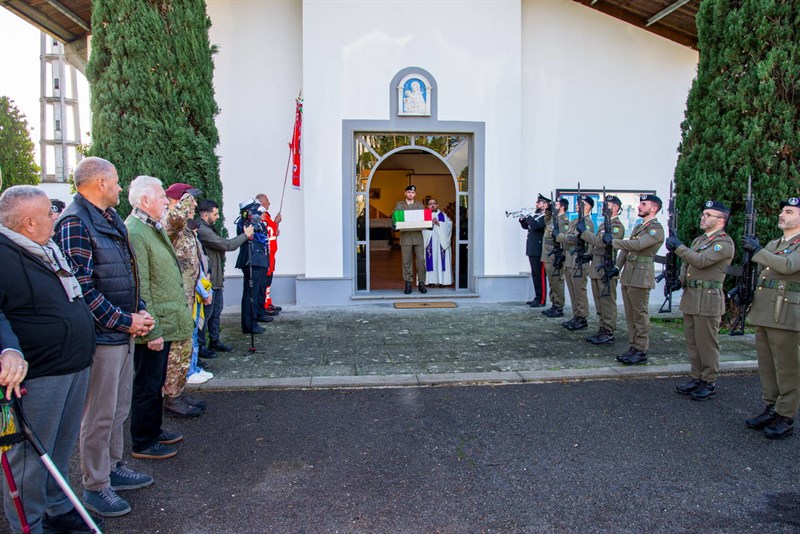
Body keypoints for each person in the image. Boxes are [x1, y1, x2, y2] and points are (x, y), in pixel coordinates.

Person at [55, 157, 157, 518]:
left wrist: (139, 310)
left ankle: (114, 467)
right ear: (99, 183)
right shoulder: (75, 223)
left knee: (117, 409)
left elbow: (126, 275)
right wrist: (124, 320)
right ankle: (96, 485)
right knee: (98, 415)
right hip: (102, 336)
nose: (119, 188)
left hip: (121, 330)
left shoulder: (109, 218)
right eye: (115, 183)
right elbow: (81, 289)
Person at [0, 185, 100, 534]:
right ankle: (29, 524)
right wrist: (7, 348)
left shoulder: (46, 248)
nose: (55, 218)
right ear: (28, 223)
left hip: (71, 364)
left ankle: (58, 508)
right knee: (29, 456)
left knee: (59, 446)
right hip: (38, 374)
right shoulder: (4, 254)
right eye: (47, 214)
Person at [125, 176, 195, 460]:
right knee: (147, 383)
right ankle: (143, 441)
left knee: (155, 382)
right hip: (153, 323)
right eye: (160, 198)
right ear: (144, 201)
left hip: (163, 319)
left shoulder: (149, 227)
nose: (166, 202)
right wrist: (150, 331)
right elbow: (141, 283)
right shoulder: (136, 231)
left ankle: (153, 430)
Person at [742, 196, 800, 439]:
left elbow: (787, 266)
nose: (782, 215)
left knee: (787, 367)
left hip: (786, 313)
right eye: (782, 211)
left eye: (789, 211)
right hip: (765, 311)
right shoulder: (776, 242)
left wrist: (758, 250)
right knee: (767, 365)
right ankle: (771, 407)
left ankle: (785, 416)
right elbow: (767, 274)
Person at [666, 200, 734, 400]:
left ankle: (709, 381)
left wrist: (678, 247)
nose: (703, 217)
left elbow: (701, 261)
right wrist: (679, 280)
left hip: (708, 299)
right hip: (692, 297)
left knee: (707, 344)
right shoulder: (700, 240)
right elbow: (687, 264)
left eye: (708, 215)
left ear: (721, 220)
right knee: (693, 342)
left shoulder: (724, 243)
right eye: (703, 214)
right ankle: (696, 377)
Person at [163, 183, 212, 409]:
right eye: (188, 201)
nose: (193, 205)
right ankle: (172, 397)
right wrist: (183, 203)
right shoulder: (171, 223)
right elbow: (173, 221)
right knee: (177, 349)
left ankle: (179, 391)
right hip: (177, 297)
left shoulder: (185, 227)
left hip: (190, 296)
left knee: (185, 346)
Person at [609, 193, 665, 365]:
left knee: (640, 315)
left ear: (654, 208)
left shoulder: (656, 229)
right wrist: (617, 267)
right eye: (640, 203)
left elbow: (638, 245)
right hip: (629, 275)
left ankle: (641, 350)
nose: (639, 206)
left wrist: (613, 242)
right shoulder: (639, 227)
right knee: (630, 314)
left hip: (641, 276)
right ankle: (633, 346)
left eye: (644, 204)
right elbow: (626, 251)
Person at [196, 199, 254, 352]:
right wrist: (245, 235)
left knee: (216, 312)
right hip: (209, 279)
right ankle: (201, 346)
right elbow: (226, 245)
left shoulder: (208, 227)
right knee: (207, 315)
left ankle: (214, 340)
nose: (218, 217)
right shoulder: (202, 229)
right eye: (215, 214)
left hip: (216, 278)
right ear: (205, 214)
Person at [581, 194, 625, 344]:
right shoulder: (602, 225)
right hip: (597, 268)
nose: (604, 207)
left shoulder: (617, 226)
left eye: (608, 205)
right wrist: (589, 255)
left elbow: (603, 243)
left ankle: (608, 330)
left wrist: (584, 233)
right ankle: (602, 328)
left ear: (616, 208)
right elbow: (596, 246)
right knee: (599, 302)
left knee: (607, 302)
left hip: (606, 269)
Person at [558, 195, 595, 330]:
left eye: (582, 204)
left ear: (588, 207)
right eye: (578, 204)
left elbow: (576, 239)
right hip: (569, 259)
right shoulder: (574, 221)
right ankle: (576, 315)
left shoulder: (587, 223)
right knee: (572, 290)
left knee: (579, 291)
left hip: (579, 261)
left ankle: (582, 317)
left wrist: (561, 237)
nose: (578, 206)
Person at [236, 199, 271, 334]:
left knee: (256, 293)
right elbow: (245, 233)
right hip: (252, 262)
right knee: (251, 294)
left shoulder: (256, 222)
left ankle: (256, 316)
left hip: (260, 261)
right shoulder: (244, 223)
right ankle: (249, 324)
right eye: (255, 209)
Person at [393, 185, 427, 294]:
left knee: (421, 260)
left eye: (412, 193)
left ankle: (421, 282)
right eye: (408, 192)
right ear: (405, 193)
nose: (410, 194)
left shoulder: (420, 205)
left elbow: (424, 218)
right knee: (406, 261)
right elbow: (394, 218)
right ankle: (408, 283)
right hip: (406, 237)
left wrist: (428, 223)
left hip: (418, 236)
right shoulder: (399, 205)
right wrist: (394, 225)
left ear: (415, 194)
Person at [542, 196, 570, 318]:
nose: (555, 206)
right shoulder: (554, 219)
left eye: (557, 204)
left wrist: (562, 256)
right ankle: (554, 304)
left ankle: (558, 306)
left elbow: (563, 241)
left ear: (562, 207)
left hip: (555, 255)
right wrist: (548, 208)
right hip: (548, 255)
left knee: (557, 281)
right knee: (552, 282)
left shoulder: (563, 221)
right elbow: (546, 219)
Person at [519, 194, 549, 307]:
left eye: (539, 202)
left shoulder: (546, 216)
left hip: (539, 250)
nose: (536, 204)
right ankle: (537, 297)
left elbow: (536, 226)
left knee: (540, 275)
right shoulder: (537, 215)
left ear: (546, 205)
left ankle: (542, 299)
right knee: (535, 275)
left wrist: (528, 216)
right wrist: (522, 219)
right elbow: (528, 226)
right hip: (532, 248)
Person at [256, 193, 283, 316]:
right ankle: (264, 305)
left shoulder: (266, 216)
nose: (269, 204)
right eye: (267, 202)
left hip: (271, 253)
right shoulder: (262, 217)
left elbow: (272, 232)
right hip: (266, 254)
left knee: (268, 279)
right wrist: (276, 223)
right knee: (265, 280)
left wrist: (276, 224)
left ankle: (267, 302)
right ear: (261, 203)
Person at [422, 197, 453, 286]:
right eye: (430, 203)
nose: (432, 205)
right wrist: (430, 223)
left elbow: (449, 225)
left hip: (441, 242)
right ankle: (430, 281)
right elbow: (421, 228)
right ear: (427, 206)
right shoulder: (425, 215)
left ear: (437, 205)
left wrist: (439, 223)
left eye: (434, 203)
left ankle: (442, 281)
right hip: (429, 241)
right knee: (431, 260)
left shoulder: (443, 215)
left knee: (440, 260)